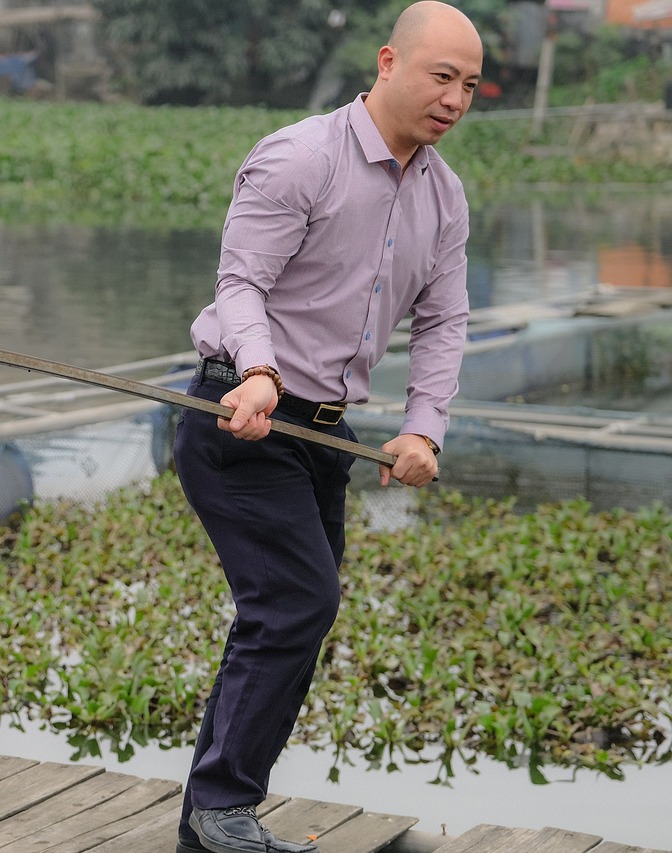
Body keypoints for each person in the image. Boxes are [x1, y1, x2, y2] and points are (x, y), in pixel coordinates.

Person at [172, 4, 482, 852]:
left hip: (326, 438)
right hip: (238, 412)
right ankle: (226, 805)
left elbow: (446, 321)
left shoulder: (444, 196)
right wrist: (261, 370)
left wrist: (425, 427)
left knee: (285, 614)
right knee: (298, 601)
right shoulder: (301, 156)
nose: (454, 98)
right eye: (440, 76)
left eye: (469, 85)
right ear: (388, 62)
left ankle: (208, 826)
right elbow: (241, 283)